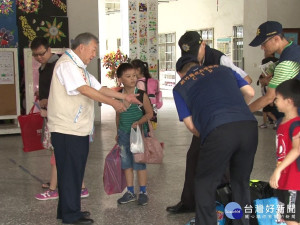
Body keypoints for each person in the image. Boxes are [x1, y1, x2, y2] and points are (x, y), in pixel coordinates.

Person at [47, 33, 141, 224]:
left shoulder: (79, 68)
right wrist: (112, 104)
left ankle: (67, 211)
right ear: (82, 47)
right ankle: (71, 215)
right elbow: (84, 89)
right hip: (67, 128)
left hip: (76, 128)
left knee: (72, 171)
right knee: (71, 172)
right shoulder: (67, 65)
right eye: (93, 50)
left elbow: (98, 88)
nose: (94, 55)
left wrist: (124, 97)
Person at [166, 30, 254, 214]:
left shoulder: (221, 60)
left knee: (223, 169)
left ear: (203, 45)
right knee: (194, 158)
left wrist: (230, 105)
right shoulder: (202, 66)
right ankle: (189, 202)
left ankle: (226, 205)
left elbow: (247, 80)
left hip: (216, 122)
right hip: (219, 122)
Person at [30, 37, 89, 201]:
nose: (39, 57)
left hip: (61, 117)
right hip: (53, 114)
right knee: (59, 153)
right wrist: (42, 98)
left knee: (60, 153)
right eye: (35, 55)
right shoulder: (45, 66)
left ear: (49, 49)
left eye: (41, 53)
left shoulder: (60, 65)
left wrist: (49, 102)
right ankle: (69, 184)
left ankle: (58, 188)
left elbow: (67, 92)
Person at [115, 63, 153, 206]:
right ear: (120, 79)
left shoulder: (141, 94)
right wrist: (117, 131)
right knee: (126, 163)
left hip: (138, 134)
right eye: (128, 76)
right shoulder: (118, 96)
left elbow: (150, 113)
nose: (133, 79)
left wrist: (139, 122)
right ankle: (130, 192)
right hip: (124, 133)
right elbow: (118, 115)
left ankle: (143, 191)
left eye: (134, 76)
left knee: (139, 162)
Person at [249, 21, 300, 113]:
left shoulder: (287, 62)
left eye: (263, 43)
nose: (262, 48)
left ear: (276, 39)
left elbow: (269, 98)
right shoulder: (294, 50)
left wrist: (241, 113)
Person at [269, 79, 300, 225]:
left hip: (294, 180)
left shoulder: (296, 125)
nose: (274, 101)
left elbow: (297, 149)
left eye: (277, 98)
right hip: (284, 178)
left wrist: (278, 170)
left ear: (289, 101)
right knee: (286, 217)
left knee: (291, 219)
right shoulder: (281, 121)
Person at [131, 59, 162, 129]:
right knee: (150, 131)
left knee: (144, 132)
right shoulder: (148, 80)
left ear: (138, 70)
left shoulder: (139, 83)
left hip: (144, 112)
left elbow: (140, 99)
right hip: (152, 111)